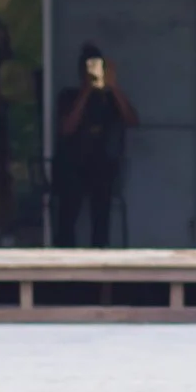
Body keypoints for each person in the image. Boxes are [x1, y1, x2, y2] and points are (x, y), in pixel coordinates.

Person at [53, 42, 139, 249]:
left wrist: (113, 86)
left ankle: (100, 275)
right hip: (72, 166)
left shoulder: (109, 99)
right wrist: (85, 92)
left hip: (101, 166)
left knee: (101, 221)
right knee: (66, 220)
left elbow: (132, 121)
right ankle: (64, 273)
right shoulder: (69, 96)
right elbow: (66, 128)